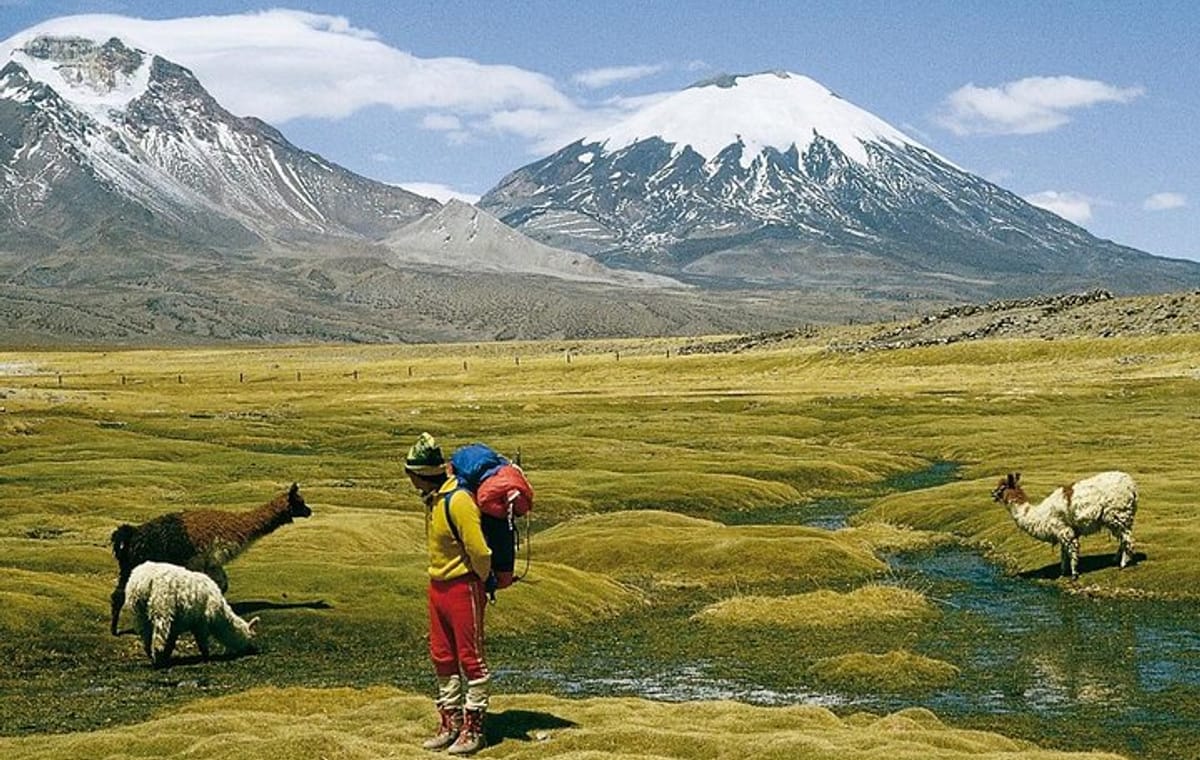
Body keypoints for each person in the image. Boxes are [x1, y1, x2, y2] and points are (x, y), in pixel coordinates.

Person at [405, 432, 493, 755]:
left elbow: (479, 551)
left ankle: (474, 728)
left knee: (471, 658)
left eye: (412, 473)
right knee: (441, 655)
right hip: (438, 587)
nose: (410, 480)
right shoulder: (433, 500)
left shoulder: (458, 501)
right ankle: (451, 722)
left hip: (463, 586)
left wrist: (481, 581)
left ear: (423, 474)